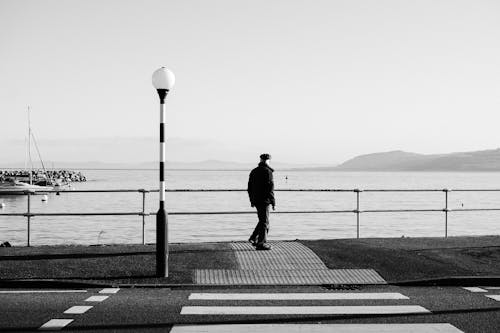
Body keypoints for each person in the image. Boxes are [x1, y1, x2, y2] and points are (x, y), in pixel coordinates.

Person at [247, 153, 275, 250]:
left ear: (260, 160)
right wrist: (273, 201)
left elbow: (249, 188)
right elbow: (270, 188)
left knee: (262, 220)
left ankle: (254, 238)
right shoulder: (268, 172)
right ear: (268, 161)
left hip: (256, 199)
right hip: (265, 200)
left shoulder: (254, 171)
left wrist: (252, 200)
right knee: (264, 222)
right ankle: (261, 243)